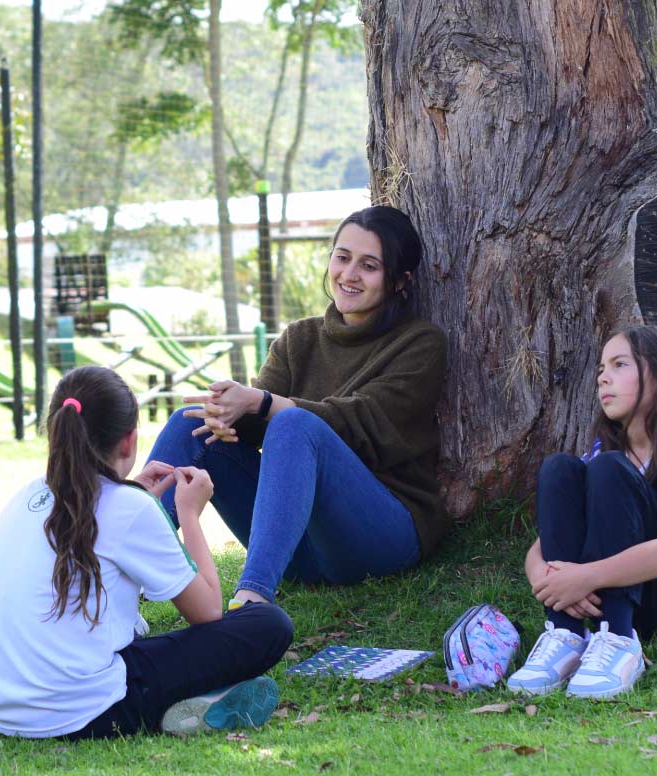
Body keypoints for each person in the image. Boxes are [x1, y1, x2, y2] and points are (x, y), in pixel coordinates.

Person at [146, 205, 450, 609]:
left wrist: (266, 403)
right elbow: (254, 425)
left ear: (399, 280)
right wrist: (228, 411)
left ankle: (252, 600)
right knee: (191, 423)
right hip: (298, 546)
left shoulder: (420, 343)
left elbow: (367, 425)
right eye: (342, 257)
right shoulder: (299, 338)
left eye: (369, 265)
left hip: (379, 535)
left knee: (293, 424)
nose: (349, 274)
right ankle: (117, 571)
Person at [0, 365, 293, 739]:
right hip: (88, 713)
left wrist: (135, 501)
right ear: (129, 441)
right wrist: (189, 513)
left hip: (3, 710)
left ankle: (198, 701)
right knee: (268, 625)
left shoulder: (26, 495)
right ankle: (192, 704)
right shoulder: (128, 507)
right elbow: (207, 612)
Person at [505, 324, 657, 700]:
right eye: (602, 368)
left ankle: (619, 639)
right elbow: (543, 545)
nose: (603, 376)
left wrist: (586, 576)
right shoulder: (606, 450)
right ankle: (566, 634)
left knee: (608, 470)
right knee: (560, 469)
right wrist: (550, 582)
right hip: (639, 594)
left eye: (620, 364)